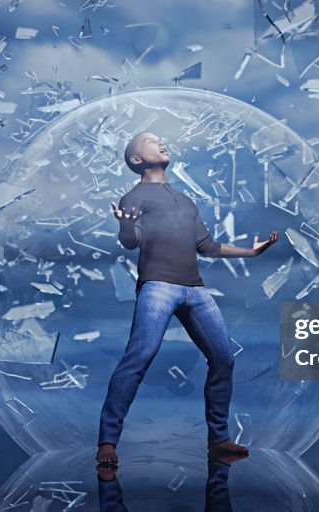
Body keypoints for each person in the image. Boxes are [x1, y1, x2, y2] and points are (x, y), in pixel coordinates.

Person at [95, 131, 280, 466]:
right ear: (136, 160)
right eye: (150, 141)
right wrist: (124, 227)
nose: (161, 142)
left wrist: (250, 253)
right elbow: (131, 241)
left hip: (195, 288)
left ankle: (219, 439)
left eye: (161, 138)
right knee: (139, 357)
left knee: (224, 358)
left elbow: (207, 247)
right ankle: (107, 442)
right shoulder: (133, 198)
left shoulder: (186, 200)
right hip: (157, 287)